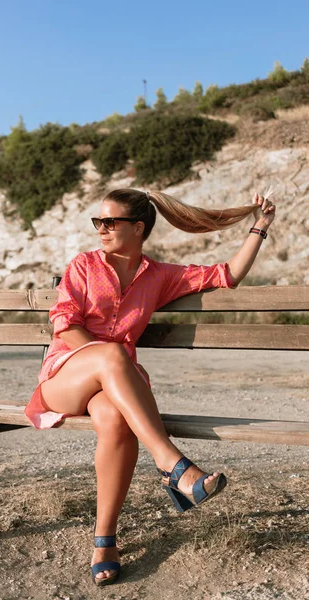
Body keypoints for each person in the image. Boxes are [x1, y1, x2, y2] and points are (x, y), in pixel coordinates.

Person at [24, 188, 276, 586]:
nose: (101, 229)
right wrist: (106, 356)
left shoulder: (159, 276)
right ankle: (174, 466)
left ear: (138, 228)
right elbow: (65, 326)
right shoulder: (84, 265)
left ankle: (104, 541)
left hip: (113, 390)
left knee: (115, 419)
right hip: (64, 378)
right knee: (112, 355)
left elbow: (227, 274)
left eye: (111, 222)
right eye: (98, 222)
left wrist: (260, 227)